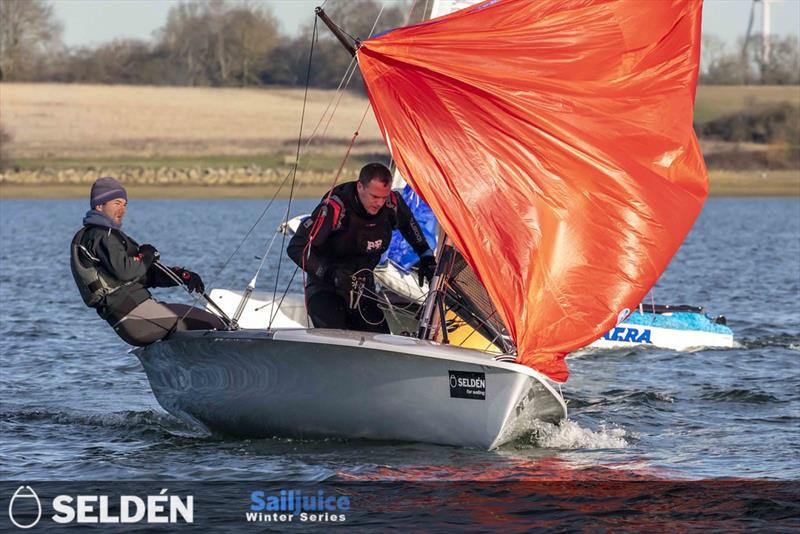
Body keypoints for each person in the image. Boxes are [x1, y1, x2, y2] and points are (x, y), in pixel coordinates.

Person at [70, 177, 226, 346]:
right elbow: (127, 271)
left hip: (133, 320)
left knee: (192, 327)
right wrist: (147, 255)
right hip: (135, 315)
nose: (122, 209)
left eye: (125, 204)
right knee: (216, 323)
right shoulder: (101, 235)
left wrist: (181, 276)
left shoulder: (101, 236)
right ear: (99, 206)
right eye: (116, 203)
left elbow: (144, 275)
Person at [287, 163, 436, 333]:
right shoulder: (334, 208)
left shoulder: (392, 203)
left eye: (383, 197)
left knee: (382, 345)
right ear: (360, 186)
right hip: (326, 288)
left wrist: (426, 256)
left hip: (364, 290)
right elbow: (296, 248)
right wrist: (329, 274)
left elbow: (410, 227)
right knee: (338, 341)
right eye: (374, 197)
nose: (380, 203)